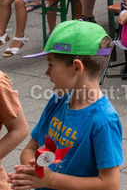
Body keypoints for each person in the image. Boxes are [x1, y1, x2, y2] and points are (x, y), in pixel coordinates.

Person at [12, 22, 121, 190]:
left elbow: (110, 184)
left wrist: (50, 180)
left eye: (50, 65)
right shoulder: (57, 101)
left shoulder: (104, 121)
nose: (46, 73)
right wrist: (35, 173)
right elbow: (30, 149)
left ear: (77, 67)